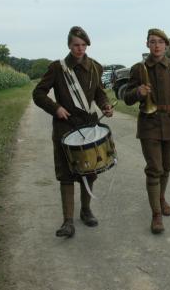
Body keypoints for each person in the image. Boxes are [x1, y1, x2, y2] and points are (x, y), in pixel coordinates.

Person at [32, 26, 114, 238]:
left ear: (87, 45)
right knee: (66, 174)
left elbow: (99, 93)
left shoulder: (95, 67)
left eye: (83, 45)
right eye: (76, 45)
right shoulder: (57, 68)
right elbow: (38, 93)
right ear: (69, 46)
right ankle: (68, 221)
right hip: (65, 128)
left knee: (90, 169)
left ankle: (86, 211)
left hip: (89, 125)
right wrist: (55, 108)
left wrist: (105, 105)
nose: (79, 49)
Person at [124, 28, 170, 234]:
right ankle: (156, 214)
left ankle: (161, 197)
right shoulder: (139, 69)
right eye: (152, 41)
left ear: (166, 45)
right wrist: (138, 92)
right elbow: (127, 97)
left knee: (166, 166)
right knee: (154, 168)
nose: (156, 45)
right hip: (149, 124)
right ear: (147, 44)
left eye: (160, 42)